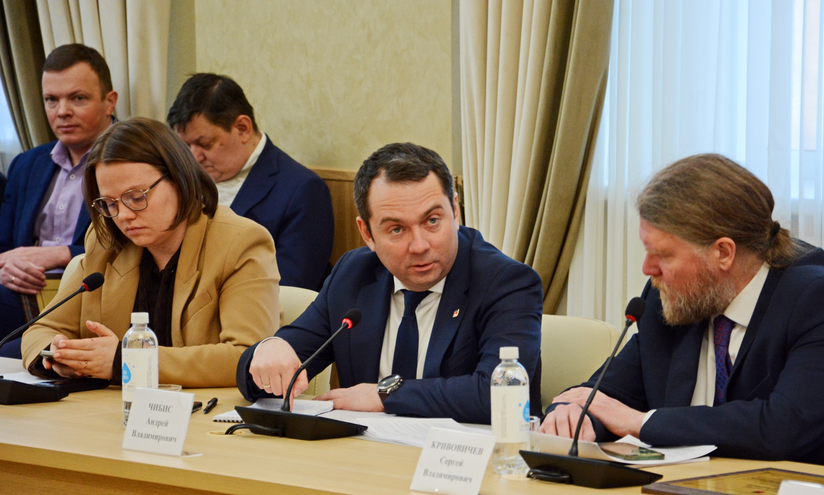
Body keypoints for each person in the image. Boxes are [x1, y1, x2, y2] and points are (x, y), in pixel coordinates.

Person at [541, 153, 824, 464]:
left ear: (723, 253)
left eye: (663, 255)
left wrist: (640, 422)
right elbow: (604, 395)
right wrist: (573, 414)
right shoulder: (671, 300)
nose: (648, 269)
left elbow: (783, 428)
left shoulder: (813, 299)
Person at [236, 142, 543, 424]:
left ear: (455, 211)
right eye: (397, 229)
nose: (420, 245)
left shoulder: (506, 282)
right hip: (368, 456)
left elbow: (497, 395)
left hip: (468, 459)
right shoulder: (354, 275)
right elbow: (264, 373)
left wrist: (383, 395)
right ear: (367, 233)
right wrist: (268, 351)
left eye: (432, 221)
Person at [21, 118, 280, 388]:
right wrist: (58, 355)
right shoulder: (106, 242)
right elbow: (41, 330)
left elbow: (248, 356)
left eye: (136, 197)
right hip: (113, 407)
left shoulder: (240, 242)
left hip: (203, 409)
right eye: (109, 203)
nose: (123, 216)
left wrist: (126, 361)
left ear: (178, 178)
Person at [167, 73, 334, 291]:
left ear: (243, 128)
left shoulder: (302, 190)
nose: (194, 157)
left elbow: (290, 286)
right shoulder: (179, 181)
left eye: (205, 144)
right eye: (186, 146)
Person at [0, 44, 117, 350]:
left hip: (93, 297)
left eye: (78, 98)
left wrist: (64, 253)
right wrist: (6, 268)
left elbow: (135, 244)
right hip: (24, 295)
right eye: (51, 100)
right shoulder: (26, 164)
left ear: (110, 102)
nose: (62, 111)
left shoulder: (133, 161)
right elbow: (3, 246)